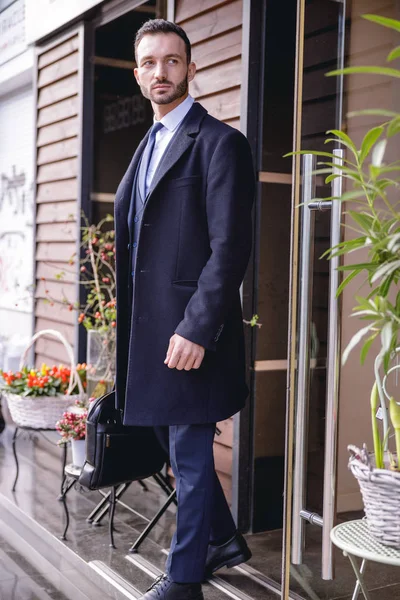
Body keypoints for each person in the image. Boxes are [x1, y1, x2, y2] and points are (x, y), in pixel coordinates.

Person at [114, 18, 255, 600]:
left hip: (194, 332)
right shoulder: (147, 144)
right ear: (138, 72)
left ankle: (184, 580)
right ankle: (222, 539)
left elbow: (230, 249)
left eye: (172, 61)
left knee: (192, 455)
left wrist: (199, 327)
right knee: (178, 449)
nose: (161, 72)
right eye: (150, 62)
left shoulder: (220, 143)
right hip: (150, 334)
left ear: (191, 69)